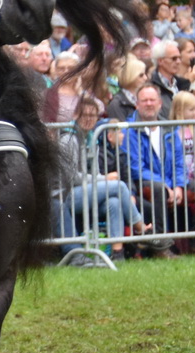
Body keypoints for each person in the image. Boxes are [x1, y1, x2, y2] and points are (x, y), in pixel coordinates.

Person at [54, 96, 148, 260]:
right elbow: (71, 177)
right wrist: (103, 179)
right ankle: (141, 228)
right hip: (66, 195)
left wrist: (100, 179)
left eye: (92, 115)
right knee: (118, 186)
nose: (89, 119)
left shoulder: (92, 138)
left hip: (85, 192)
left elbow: (95, 172)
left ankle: (117, 253)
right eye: (84, 115)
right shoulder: (68, 139)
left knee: (114, 202)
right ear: (76, 115)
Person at [121, 83, 195, 251]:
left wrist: (178, 185)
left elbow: (179, 161)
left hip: (170, 182)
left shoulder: (169, 127)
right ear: (137, 104)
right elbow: (135, 168)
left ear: (160, 103)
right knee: (159, 189)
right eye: (144, 100)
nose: (149, 104)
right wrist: (167, 185)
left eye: (152, 100)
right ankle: (161, 248)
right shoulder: (130, 130)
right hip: (143, 183)